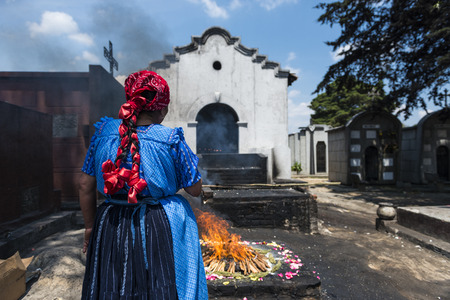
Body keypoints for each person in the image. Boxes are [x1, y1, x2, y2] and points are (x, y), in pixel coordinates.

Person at [79, 70, 208, 299]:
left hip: (110, 223)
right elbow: (194, 189)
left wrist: (90, 228)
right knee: (160, 282)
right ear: (162, 108)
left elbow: (85, 185)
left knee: (113, 284)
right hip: (157, 224)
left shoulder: (102, 133)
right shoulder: (170, 139)